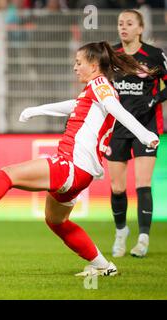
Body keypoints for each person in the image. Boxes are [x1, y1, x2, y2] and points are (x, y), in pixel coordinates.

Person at [0, 41, 160, 277]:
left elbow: (117, 110)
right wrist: (37, 110)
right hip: (81, 173)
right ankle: (102, 266)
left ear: (94, 64)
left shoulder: (100, 85)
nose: (75, 67)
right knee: (56, 221)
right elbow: (75, 105)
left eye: (79, 63)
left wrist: (144, 134)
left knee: (8, 174)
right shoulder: (95, 90)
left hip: (71, 165)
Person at [106, 9, 167, 258]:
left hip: (146, 127)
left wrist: (153, 101)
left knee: (142, 184)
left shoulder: (154, 55)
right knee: (117, 187)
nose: (124, 27)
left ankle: (143, 239)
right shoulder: (110, 55)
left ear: (140, 29)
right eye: (120, 23)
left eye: (129, 23)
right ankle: (121, 233)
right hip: (117, 127)